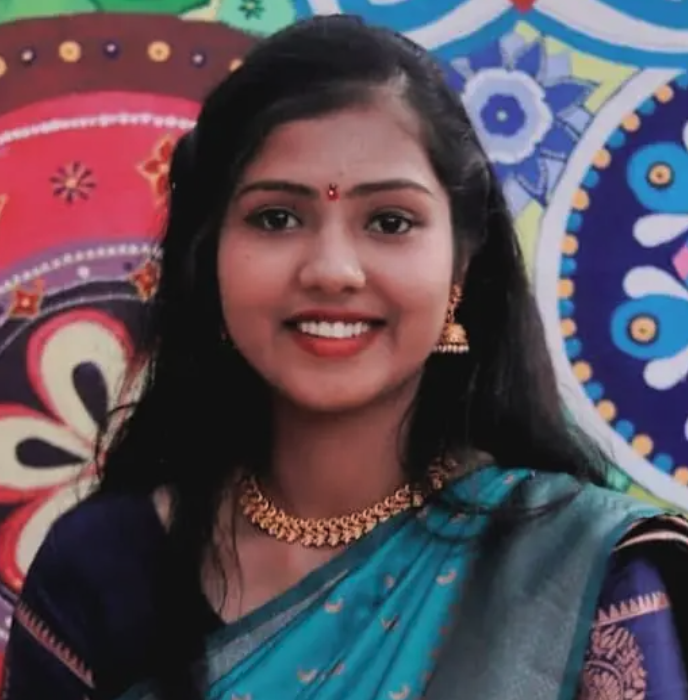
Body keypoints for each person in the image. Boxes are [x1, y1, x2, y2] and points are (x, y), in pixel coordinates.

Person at [2, 14, 688, 700]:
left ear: (462, 262)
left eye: (390, 221)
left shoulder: (572, 574)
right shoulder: (104, 568)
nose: (333, 270)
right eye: (276, 218)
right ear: (208, 256)